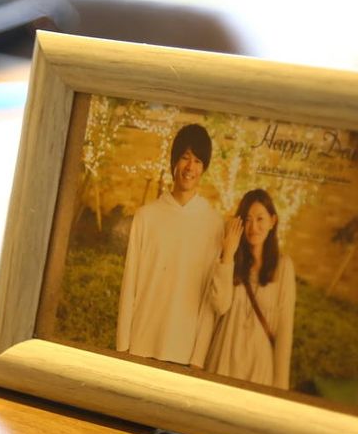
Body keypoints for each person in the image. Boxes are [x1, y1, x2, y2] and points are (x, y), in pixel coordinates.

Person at [116, 124, 223, 364]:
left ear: (204, 167)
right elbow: (129, 283)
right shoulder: (146, 217)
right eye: (185, 157)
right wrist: (123, 346)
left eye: (197, 161)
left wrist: (197, 359)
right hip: (140, 345)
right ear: (174, 161)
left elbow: (208, 300)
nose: (190, 167)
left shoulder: (213, 224)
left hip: (183, 353)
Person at [200, 189, 296, 389]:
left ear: (272, 221)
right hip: (224, 359)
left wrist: (280, 387)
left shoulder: (283, 266)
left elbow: (284, 331)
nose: (254, 227)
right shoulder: (230, 259)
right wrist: (228, 254)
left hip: (259, 367)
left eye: (260, 219)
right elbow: (220, 305)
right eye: (248, 219)